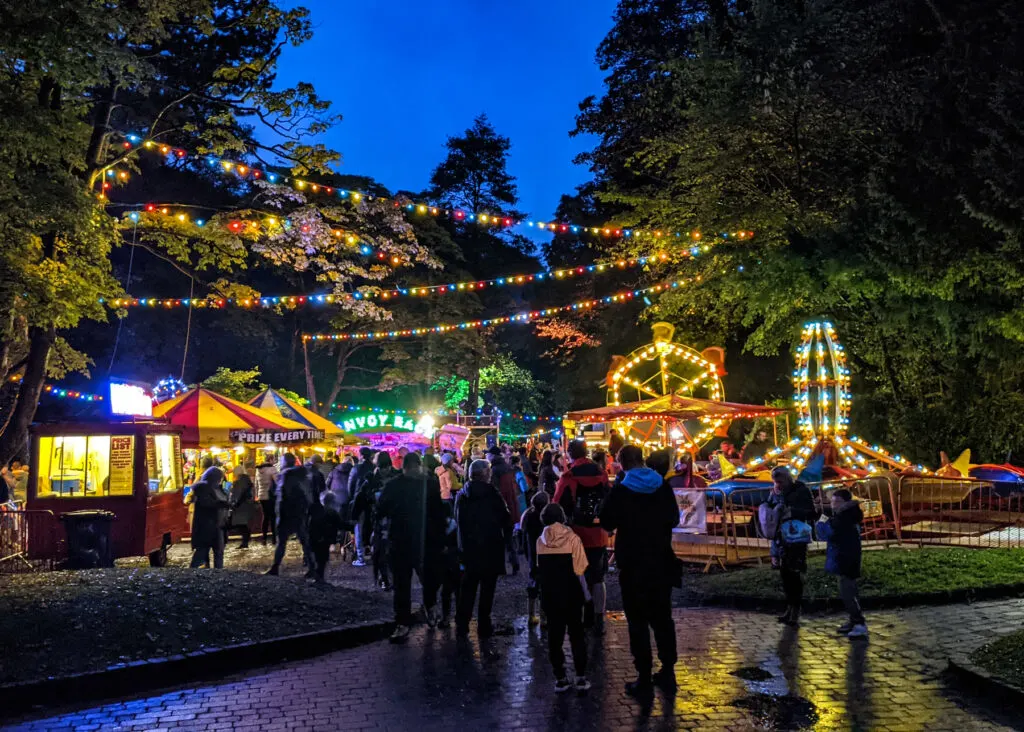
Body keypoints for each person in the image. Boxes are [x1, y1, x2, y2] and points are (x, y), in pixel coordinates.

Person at [599, 445, 680, 696]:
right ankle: (668, 669)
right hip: (660, 559)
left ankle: (643, 675)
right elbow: (674, 518)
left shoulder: (622, 490)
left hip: (633, 562)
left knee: (637, 621)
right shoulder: (662, 486)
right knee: (663, 618)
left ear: (622, 463)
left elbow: (606, 520)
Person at [377, 452, 446, 642]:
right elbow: (439, 514)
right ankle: (417, 614)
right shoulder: (428, 484)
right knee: (415, 582)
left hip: (406, 541)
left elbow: (381, 509)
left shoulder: (395, 485)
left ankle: (408, 620)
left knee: (410, 583)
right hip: (418, 541)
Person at [554, 439, 611, 634]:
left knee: (577, 575)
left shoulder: (569, 476)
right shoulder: (601, 473)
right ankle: (598, 617)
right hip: (599, 534)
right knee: (598, 577)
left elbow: (558, 504)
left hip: (576, 534)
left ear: (570, 454)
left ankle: (580, 616)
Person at [536, 502, 591, 693]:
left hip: (551, 594)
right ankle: (581, 676)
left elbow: (539, 570)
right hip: (572, 593)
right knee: (577, 634)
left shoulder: (540, 541)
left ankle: (560, 677)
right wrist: (587, 594)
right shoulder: (573, 539)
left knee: (555, 636)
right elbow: (580, 568)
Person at [454, 459, 511, 637]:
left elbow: (457, 520)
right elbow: (506, 519)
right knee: (487, 589)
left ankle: (462, 624)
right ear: (485, 474)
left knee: (468, 588)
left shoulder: (462, 495)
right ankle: (484, 624)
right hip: (490, 547)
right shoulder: (492, 494)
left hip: (468, 549)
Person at [767, 466, 817, 626]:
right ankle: (790, 607)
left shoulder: (801, 490)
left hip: (796, 537)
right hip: (781, 536)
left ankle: (795, 609)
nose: (778, 484)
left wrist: (792, 511)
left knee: (794, 574)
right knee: (785, 574)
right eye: (775, 482)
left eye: (780, 481)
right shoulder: (776, 492)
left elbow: (812, 512)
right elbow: (768, 506)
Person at [816, 488, 867, 638]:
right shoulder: (848, 515)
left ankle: (859, 623)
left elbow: (828, 535)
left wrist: (821, 524)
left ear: (844, 502)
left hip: (845, 557)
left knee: (848, 592)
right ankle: (853, 620)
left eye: (836, 501)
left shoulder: (842, 518)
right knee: (848, 590)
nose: (833, 504)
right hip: (847, 556)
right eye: (832, 501)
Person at [266, 453, 314, 576]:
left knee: (282, 542)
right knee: (304, 541)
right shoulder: (303, 475)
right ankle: (313, 568)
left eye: (281, 460)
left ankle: (275, 567)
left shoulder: (285, 475)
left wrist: (280, 515)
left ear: (285, 462)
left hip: (287, 513)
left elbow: (282, 496)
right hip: (300, 512)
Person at [188, 464, 230, 569]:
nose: (220, 480)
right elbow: (207, 503)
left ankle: (217, 575)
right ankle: (190, 575)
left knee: (218, 553)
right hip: (207, 527)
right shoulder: (203, 488)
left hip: (218, 526)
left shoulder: (218, 489)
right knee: (201, 553)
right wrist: (222, 504)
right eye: (219, 478)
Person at [488, 446, 521, 574]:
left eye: (488, 454)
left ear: (493, 456)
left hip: (500, 508)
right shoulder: (507, 467)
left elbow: (495, 491)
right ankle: (515, 563)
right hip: (511, 506)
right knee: (509, 538)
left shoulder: (495, 470)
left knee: (499, 540)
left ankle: (501, 567)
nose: (487, 456)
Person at [370, 451, 400, 590]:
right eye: (383, 467)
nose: (385, 470)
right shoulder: (371, 479)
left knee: (392, 551)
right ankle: (385, 578)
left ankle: (392, 577)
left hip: (393, 519)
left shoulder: (397, 477)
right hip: (380, 519)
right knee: (381, 551)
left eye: (387, 467)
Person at [521, 490, 550, 626]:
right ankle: (544, 617)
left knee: (533, 583)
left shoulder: (527, 516)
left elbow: (522, 537)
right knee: (545, 587)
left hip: (533, 555)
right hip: (545, 556)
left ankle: (531, 614)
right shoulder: (546, 518)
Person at [309, 491, 345, 585]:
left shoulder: (318, 511)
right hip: (325, 539)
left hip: (315, 538)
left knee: (318, 558)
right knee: (323, 559)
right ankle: (319, 579)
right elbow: (341, 524)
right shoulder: (332, 512)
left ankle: (317, 577)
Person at [347, 447, 376, 564]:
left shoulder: (356, 468)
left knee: (358, 528)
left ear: (361, 455)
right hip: (372, 501)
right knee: (372, 527)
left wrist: (352, 498)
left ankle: (360, 557)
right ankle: (374, 552)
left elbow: (350, 487)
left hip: (359, 501)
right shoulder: (374, 468)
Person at [437, 502, 461, 629]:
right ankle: (459, 615)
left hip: (445, 563)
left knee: (446, 592)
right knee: (458, 590)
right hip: (456, 562)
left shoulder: (438, 526)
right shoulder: (456, 525)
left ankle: (445, 617)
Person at [228, 464, 256, 549]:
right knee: (241, 524)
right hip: (247, 505)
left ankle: (245, 541)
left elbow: (237, 494)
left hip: (240, 506)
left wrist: (234, 503)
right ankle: (245, 541)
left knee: (240, 524)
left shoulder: (239, 482)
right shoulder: (247, 480)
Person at [255, 456, 279, 546]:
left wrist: (257, 496)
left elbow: (256, 484)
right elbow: (277, 481)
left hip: (262, 496)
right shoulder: (272, 469)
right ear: (270, 460)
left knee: (265, 517)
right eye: (273, 459)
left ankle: (264, 538)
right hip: (270, 496)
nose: (275, 461)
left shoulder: (258, 470)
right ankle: (274, 538)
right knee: (273, 517)